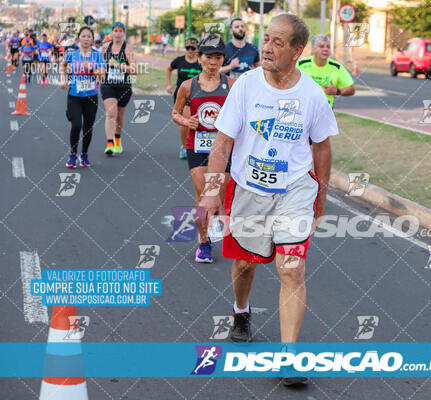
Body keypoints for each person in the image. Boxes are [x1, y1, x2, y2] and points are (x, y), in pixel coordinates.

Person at [199, 14, 338, 387]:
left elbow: (322, 148)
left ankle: (290, 357)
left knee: (291, 267)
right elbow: (223, 141)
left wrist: (320, 198)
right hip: (248, 186)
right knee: (246, 263)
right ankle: (241, 311)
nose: (268, 47)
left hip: (296, 187)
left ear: (297, 50)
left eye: (279, 42)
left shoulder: (311, 94)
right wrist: (213, 190)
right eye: (267, 39)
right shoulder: (245, 86)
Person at [171, 34, 233, 263]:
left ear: (223, 59)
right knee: (202, 195)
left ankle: (217, 228)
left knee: (219, 195)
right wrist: (186, 122)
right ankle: (204, 242)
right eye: (209, 57)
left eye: (218, 57)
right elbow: (175, 113)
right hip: (197, 146)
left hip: (224, 149)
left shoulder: (231, 85)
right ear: (199, 58)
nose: (213, 62)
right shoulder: (188, 86)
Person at [60, 26, 106, 168]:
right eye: (83, 36)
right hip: (74, 95)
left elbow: (103, 74)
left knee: (88, 127)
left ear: (92, 40)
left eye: (89, 36)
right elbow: (63, 66)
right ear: (79, 38)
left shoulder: (97, 55)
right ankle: (73, 154)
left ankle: (84, 154)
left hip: (91, 97)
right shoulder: (72, 54)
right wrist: (63, 79)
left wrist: (91, 68)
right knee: (76, 125)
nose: (86, 39)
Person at [100, 22, 136, 156]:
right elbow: (100, 64)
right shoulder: (105, 48)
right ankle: (109, 144)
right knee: (111, 113)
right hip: (108, 84)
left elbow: (134, 70)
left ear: (124, 33)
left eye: (121, 31)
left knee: (120, 115)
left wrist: (119, 65)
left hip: (124, 85)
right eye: (115, 30)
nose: (118, 33)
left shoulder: (128, 49)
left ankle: (117, 139)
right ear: (111, 33)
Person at [166, 37, 202, 159]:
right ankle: (184, 146)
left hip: (198, 93)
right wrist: (169, 84)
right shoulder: (180, 60)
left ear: (197, 49)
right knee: (185, 120)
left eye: (193, 48)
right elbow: (169, 69)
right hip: (182, 94)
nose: (190, 50)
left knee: (199, 120)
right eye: (188, 48)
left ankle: (198, 144)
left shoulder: (201, 62)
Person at [297, 34, 355, 109]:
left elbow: (351, 89)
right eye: (321, 46)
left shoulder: (336, 67)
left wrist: (337, 91)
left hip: (325, 113)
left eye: (328, 47)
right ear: (313, 49)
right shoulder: (300, 64)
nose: (325, 49)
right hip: (302, 110)